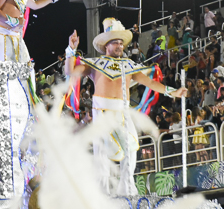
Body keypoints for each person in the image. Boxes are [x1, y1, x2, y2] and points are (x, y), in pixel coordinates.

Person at [64, 18, 188, 196]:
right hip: (102, 112)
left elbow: (150, 83)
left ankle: (127, 190)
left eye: (121, 43)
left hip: (123, 112)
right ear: (107, 44)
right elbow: (70, 72)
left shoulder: (129, 66)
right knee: (102, 154)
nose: (119, 46)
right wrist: (71, 50)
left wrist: (173, 92)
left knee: (130, 148)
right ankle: (103, 193)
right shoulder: (95, 64)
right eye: (115, 42)